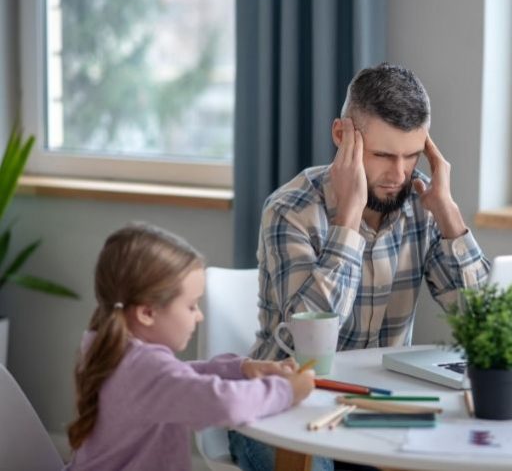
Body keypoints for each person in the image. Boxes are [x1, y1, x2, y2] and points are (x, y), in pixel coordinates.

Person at [229, 63, 490, 470]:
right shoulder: (290, 210)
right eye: (384, 155)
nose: (400, 175)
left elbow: (489, 329)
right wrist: (348, 220)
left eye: (412, 155)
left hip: (377, 410)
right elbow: (307, 342)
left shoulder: (424, 207)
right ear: (341, 136)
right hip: (284, 407)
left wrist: (450, 215)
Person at [65, 223, 315, 471]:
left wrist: (243, 369)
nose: (199, 316)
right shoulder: (145, 368)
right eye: (191, 306)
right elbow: (225, 403)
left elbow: (176, 378)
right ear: (147, 313)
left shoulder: (107, 347)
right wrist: (286, 391)